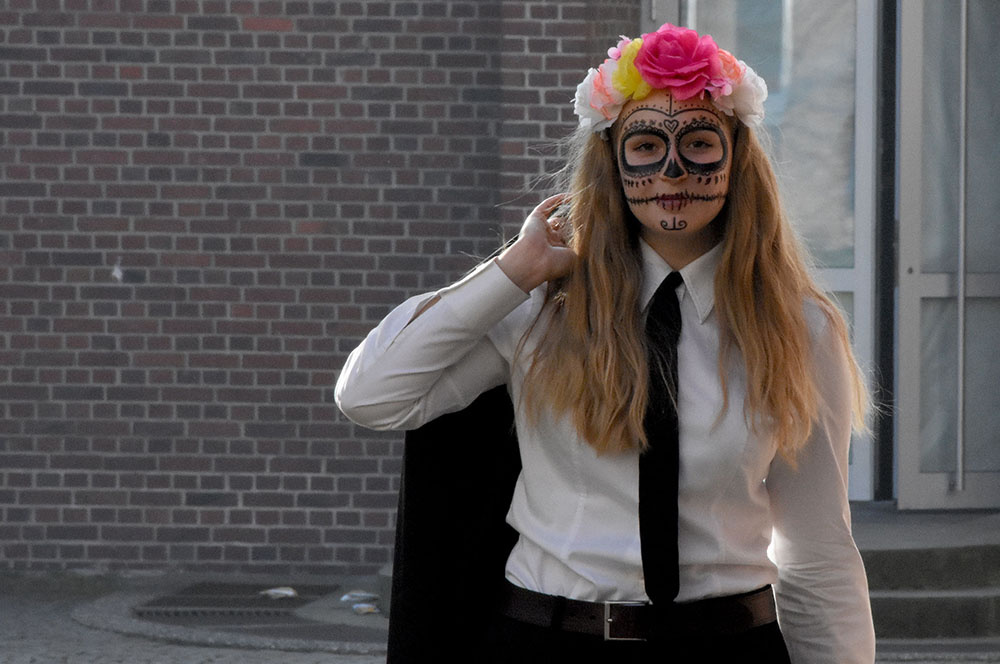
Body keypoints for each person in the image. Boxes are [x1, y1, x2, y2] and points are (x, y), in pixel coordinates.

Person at [336, 22, 875, 664]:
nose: (673, 169)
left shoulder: (797, 328)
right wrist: (510, 273)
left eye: (700, 143)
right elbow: (371, 396)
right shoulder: (539, 309)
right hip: (549, 643)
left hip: (728, 645)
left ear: (737, 159)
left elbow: (817, 549)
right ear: (612, 164)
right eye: (645, 145)